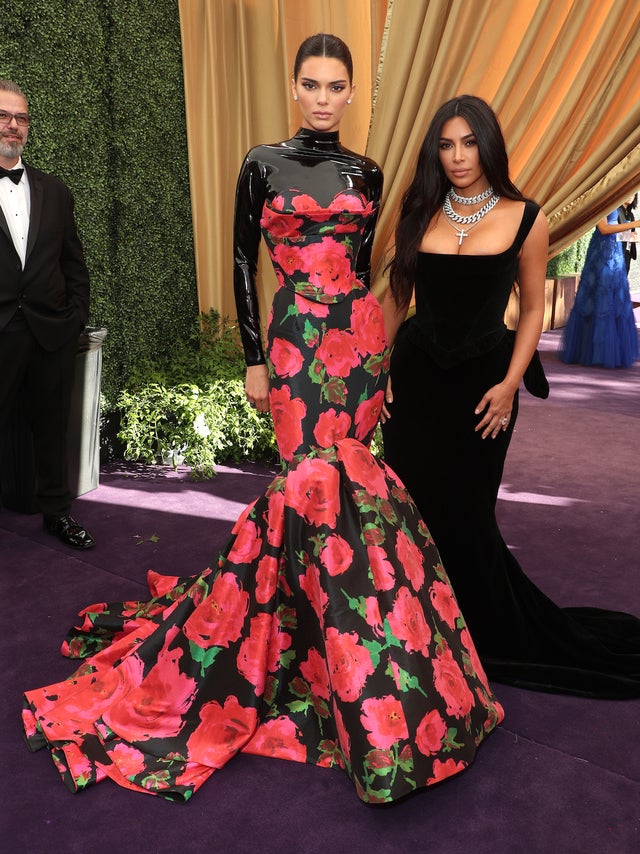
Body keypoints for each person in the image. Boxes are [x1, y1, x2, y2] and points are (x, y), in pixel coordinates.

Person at [22, 38, 503, 805]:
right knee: (307, 485)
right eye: (310, 84)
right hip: (291, 343)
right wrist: (255, 355)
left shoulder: (367, 174)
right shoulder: (261, 163)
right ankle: (306, 646)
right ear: (294, 88)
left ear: (351, 94)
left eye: (335, 86)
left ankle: (342, 656)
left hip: (357, 344)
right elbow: (244, 260)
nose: (321, 97)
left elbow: (370, 258)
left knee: (350, 490)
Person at [380, 94, 640, 698]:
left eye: (469, 143)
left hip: (484, 385)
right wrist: (380, 370)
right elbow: (397, 299)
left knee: (468, 514)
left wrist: (510, 383)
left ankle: (478, 630)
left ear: (489, 145)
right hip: (417, 380)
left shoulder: (527, 216)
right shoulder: (419, 210)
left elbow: (527, 312)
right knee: (413, 509)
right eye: (446, 144)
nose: (458, 156)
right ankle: (422, 625)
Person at [0, 79, 95, 549]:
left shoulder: (55, 191)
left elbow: (73, 263)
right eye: (4, 116)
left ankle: (57, 514)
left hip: (50, 331)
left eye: (21, 118)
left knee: (52, 429)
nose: (13, 126)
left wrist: (75, 316)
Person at [559, 198, 640, 369]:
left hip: (615, 252)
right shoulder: (602, 196)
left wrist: (633, 235)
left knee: (614, 300)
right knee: (596, 298)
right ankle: (589, 349)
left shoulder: (620, 203)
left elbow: (615, 233)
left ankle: (610, 348)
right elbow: (603, 228)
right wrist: (636, 225)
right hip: (600, 252)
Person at [617, 193, 637, 274]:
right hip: (617, 252)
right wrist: (630, 236)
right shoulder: (615, 211)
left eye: (634, 194)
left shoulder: (630, 214)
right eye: (630, 193)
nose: (631, 196)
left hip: (627, 253)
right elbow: (610, 233)